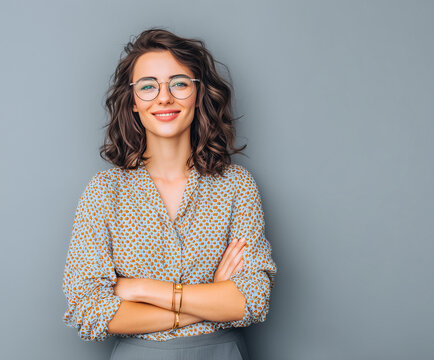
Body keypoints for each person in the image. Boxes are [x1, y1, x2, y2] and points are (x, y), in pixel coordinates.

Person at [61, 28, 277, 360]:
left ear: (198, 94)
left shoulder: (236, 185)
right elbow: (87, 309)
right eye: (148, 86)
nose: (164, 98)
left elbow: (252, 299)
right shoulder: (104, 191)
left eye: (179, 83)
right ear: (133, 101)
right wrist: (209, 298)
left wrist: (141, 289)